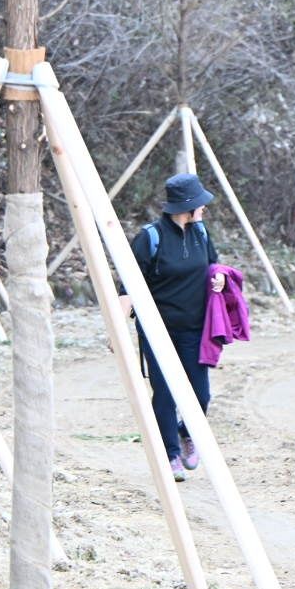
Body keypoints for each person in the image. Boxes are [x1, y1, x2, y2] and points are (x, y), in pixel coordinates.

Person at [119, 173, 225, 482]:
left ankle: (185, 433)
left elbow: (214, 264)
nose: (204, 209)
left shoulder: (201, 233)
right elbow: (127, 285)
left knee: (200, 394)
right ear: (187, 207)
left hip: (195, 328)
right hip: (157, 330)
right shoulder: (149, 238)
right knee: (164, 394)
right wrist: (117, 328)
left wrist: (218, 277)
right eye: (200, 205)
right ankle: (170, 455)